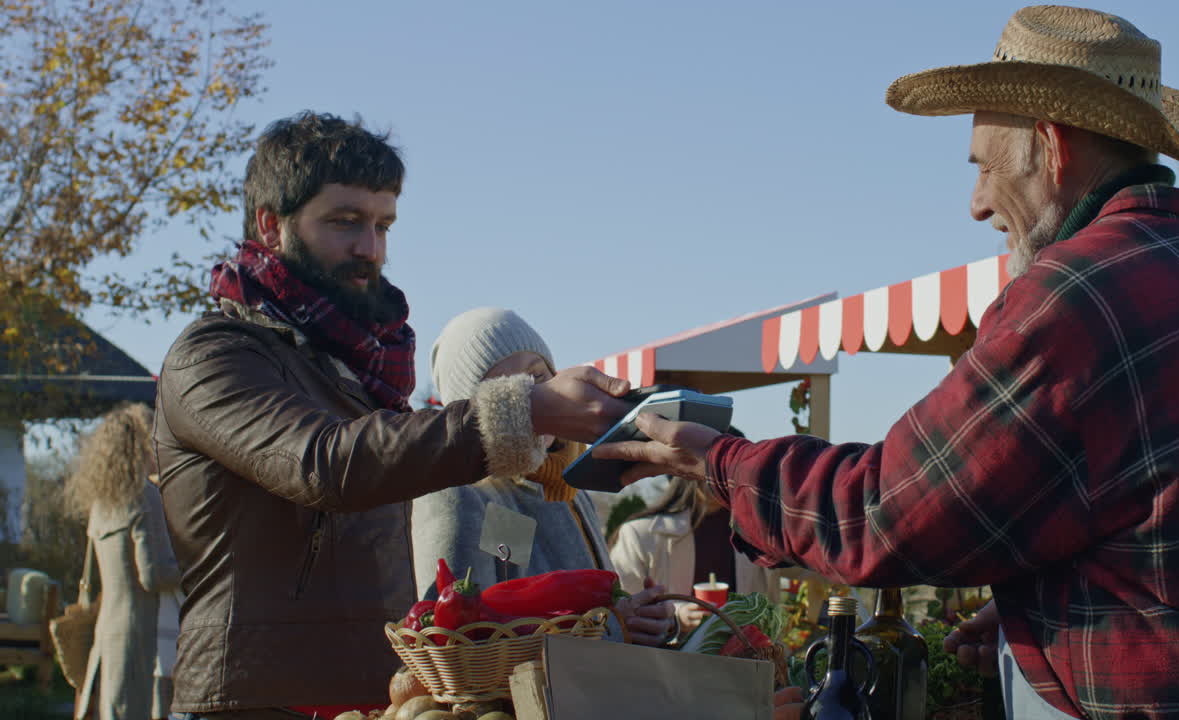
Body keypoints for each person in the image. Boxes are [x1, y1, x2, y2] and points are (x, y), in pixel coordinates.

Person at [596, 6, 1179, 718]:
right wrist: (1042, 607)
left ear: (1050, 147)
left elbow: (882, 514)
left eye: (984, 165)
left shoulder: (1074, 296)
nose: (978, 204)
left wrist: (718, 462)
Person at [154, 112, 631, 719]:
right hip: (253, 701)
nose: (370, 248)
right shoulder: (214, 355)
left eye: (383, 225)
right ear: (271, 227)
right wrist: (524, 410)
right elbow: (323, 462)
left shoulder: (357, 371)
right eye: (345, 222)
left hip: (372, 698)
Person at [412, 307, 675, 645]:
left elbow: (592, 611)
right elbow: (465, 643)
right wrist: (613, 627)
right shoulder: (464, 495)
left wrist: (644, 619)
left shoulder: (572, 488)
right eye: (505, 392)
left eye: (537, 377)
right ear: (475, 411)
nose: (531, 399)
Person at [65, 403, 180, 720]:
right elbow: (153, 576)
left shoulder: (101, 501)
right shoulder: (145, 496)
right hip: (139, 629)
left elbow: (90, 576)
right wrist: (199, 569)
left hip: (106, 629)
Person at [610, 467, 781, 636]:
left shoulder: (760, 533)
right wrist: (677, 616)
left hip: (744, 656)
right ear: (687, 471)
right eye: (721, 468)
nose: (729, 479)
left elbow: (801, 568)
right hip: (667, 659)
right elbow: (623, 606)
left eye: (735, 469)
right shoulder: (640, 534)